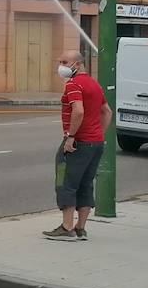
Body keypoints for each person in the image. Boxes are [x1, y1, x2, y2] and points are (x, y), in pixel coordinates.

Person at [43, 50, 110, 241]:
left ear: (77, 64)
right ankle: (81, 228)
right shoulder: (94, 84)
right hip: (95, 143)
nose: (60, 66)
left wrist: (71, 137)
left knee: (66, 183)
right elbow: (107, 111)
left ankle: (66, 228)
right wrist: (98, 135)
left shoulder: (73, 84)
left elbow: (78, 111)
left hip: (77, 143)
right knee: (86, 184)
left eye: (64, 62)